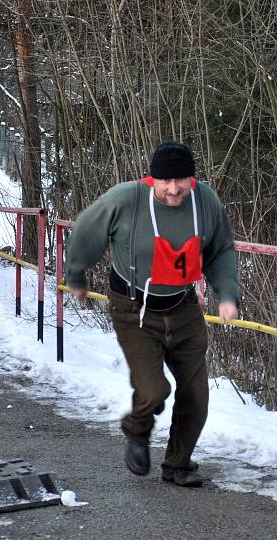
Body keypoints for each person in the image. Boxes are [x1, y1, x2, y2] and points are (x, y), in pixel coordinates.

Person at [65, 142, 239, 488]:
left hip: (184, 306)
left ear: (192, 179)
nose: (173, 189)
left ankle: (178, 463)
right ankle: (137, 429)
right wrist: (77, 275)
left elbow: (220, 249)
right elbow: (86, 229)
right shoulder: (126, 200)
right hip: (134, 308)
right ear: (152, 179)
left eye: (181, 180)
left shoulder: (205, 202)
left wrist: (226, 294)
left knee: (196, 394)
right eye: (165, 181)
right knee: (154, 389)